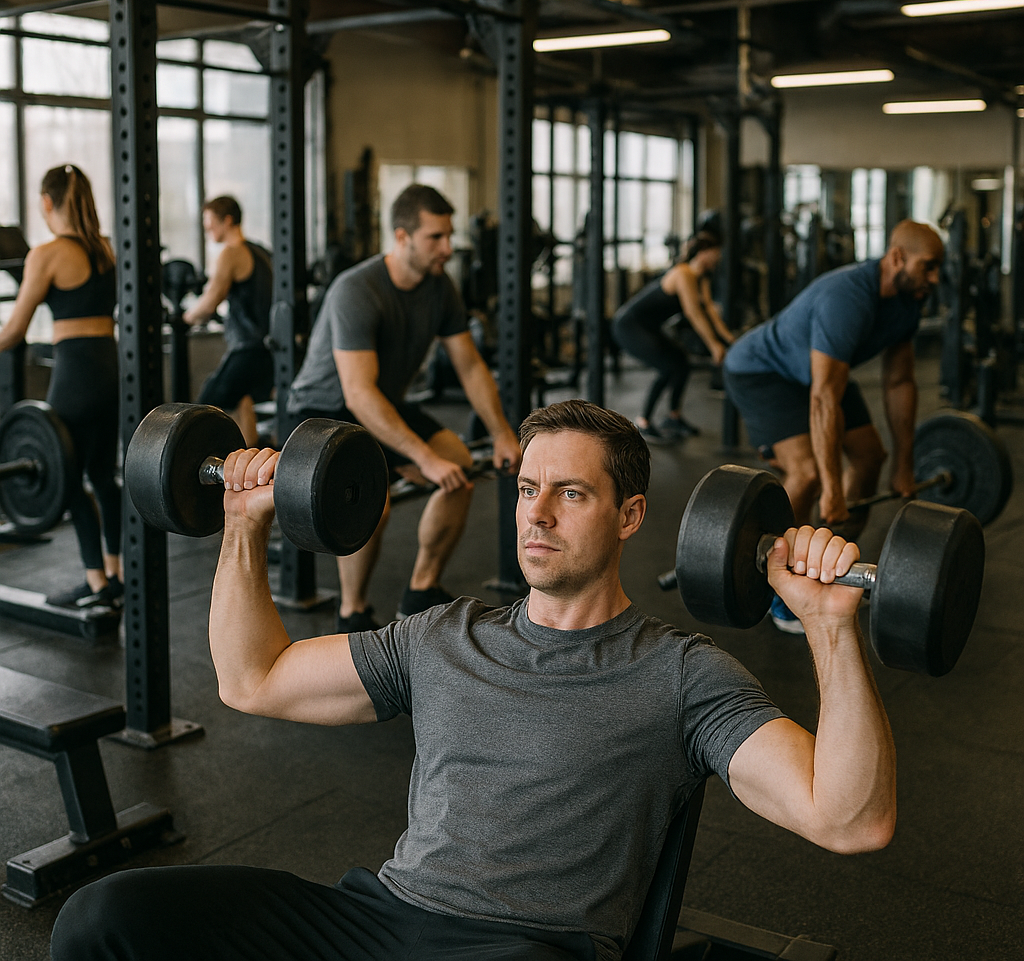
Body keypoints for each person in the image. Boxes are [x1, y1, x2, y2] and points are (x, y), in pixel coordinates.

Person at [50, 399, 896, 961]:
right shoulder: (444, 634)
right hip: (380, 919)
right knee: (104, 920)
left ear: (630, 515)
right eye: (529, 489)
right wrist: (242, 525)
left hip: (526, 949)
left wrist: (829, 626)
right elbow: (253, 676)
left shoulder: (682, 675)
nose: (535, 512)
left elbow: (849, 819)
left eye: (571, 493)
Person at [285, 183, 522, 630]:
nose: (448, 248)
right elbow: (357, 394)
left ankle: (420, 590)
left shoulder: (440, 287)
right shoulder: (356, 289)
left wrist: (501, 432)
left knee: (458, 468)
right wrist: (422, 458)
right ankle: (352, 611)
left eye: (449, 235)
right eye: (435, 237)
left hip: (382, 402)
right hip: (321, 411)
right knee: (374, 500)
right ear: (401, 237)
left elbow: (470, 366)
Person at [723, 220, 943, 633]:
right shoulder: (848, 296)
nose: (934, 278)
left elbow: (899, 382)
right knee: (805, 473)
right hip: (763, 371)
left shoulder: (909, 301)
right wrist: (832, 487)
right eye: (928, 267)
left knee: (870, 457)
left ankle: (832, 564)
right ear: (897, 257)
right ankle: (778, 589)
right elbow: (824, 397)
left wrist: (904, 464)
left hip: (817, 375)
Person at [0, 165, 122, 609]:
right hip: (111, 369)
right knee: (103, 477)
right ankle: (116, 573)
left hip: (74, 374)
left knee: (64, 476)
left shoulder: (47, 254)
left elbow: (14, 331)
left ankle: (95, 583)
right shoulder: (107, 249)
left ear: (46, 201)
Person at [612, 230, 733, 443]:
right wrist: (714, 345)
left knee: (681, 363)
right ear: (704, 253)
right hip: (629, 326)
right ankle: (643, 423)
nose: (719, 258)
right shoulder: (683, 273)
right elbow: (693, 313)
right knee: (667, 366)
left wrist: (729, 339)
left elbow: (710, 312)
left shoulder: (701, 277)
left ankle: (673, 417)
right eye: (716, 253)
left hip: (649, 327)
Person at [183, 196, 274, 447]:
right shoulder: (261, 252)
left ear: (228, 220)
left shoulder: (231, 254)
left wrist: (183, 318)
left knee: (204, 406)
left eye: (211, 222)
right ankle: (249, 461)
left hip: (248, 349)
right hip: (269, 349)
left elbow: (210, 301)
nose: (207, 228)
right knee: (241, 400)